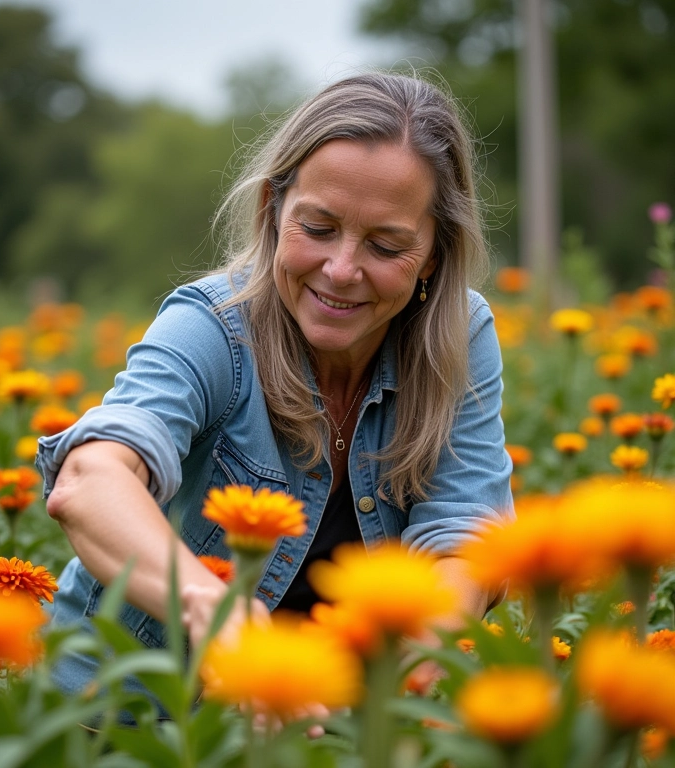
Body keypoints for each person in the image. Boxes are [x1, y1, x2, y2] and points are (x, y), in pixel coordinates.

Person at [37, 71, 513, 713]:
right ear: (272, 210)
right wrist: (211, 608)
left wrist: (410, 672)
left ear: (432, 255)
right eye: (317, 228)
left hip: (329, 719)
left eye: (386, 246)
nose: (341, 270)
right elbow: (90, 480)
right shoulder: (212, 325)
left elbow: (466, 536)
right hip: (123, 714)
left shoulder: (459, 334)